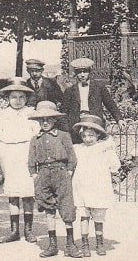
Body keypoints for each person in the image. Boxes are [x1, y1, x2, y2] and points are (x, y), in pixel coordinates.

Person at [28, 101, 80, 258]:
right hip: (43, 175)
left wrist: (68, 172)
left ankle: (70, 244)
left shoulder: (64, 136)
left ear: (55, 120)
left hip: (61, 173)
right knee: (48, 209)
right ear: (37, 121)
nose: (45, 122)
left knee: (66, 207)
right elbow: (31, 161)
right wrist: (35, 176)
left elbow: (72, 158)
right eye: (41, 119)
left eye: (49, 119)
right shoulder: (35, 139)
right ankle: (52, 245)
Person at [0, 77, 40, 244]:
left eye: (21, 97)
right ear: (8, 98)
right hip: (9, 155)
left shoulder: (32, 113)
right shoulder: (1, 116)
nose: (17, 101)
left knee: (28, 194)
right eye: (14, 97)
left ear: (26, 98)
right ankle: (14, 231)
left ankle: (28, 230)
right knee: (13, 194)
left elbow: (38, 137)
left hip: (27, 154)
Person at [71, 114, 120, 257]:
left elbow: (115, 166)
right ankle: (85, 244)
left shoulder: (104, 149)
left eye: (91, 135)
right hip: (82, 186)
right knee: (84, 215)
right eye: (85, 136)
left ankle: (99, 243)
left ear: (98, 135)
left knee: (98, 217)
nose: (88, 139)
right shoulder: (78, 149)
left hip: (98, 186)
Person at [62, 58, 121, 142]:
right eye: (79, 72)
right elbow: (64, 111)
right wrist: (66, 129)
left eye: (85, 71)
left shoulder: (99, 87)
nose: (82, 75)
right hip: (76, 125)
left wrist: (119, 119)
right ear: (75, 73)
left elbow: (110, 104)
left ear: (89, 72)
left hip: (94, 122)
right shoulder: (70, 90)